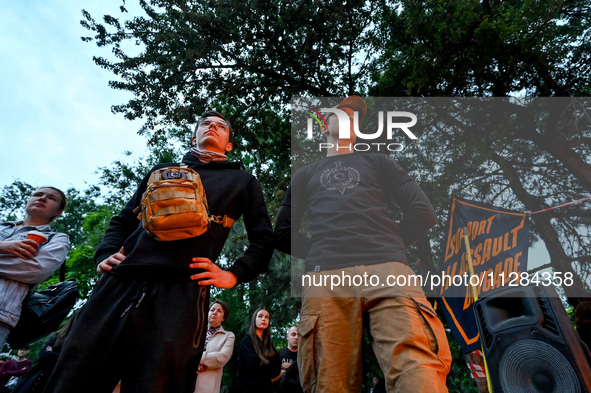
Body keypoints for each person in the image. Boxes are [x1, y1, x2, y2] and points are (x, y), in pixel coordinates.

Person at [44, 111, 275, 393]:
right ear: (194, 136)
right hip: (120, 282)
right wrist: (104, 253)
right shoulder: (160, 172)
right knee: (75, 376)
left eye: (221, 126)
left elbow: (263, 238)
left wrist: (234, 274)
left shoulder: (243, 182)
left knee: (159, 384)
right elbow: (123, 220)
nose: (212, 126)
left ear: (229, 144)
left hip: (182, 291)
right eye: (205, 123)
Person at [275, 96, 452, 392]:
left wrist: (386, 245)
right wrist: (324, 250)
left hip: (388, 272)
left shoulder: (379, 161)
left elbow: (423, 213)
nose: (347, 118)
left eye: (353, 118)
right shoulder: (304, 175)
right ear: (324, 128)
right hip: (326, 279)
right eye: (340, 114)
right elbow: (282, 232)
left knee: (418, 370)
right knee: (328, 380)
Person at [0, 187, 69, 347]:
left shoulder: (57, 239)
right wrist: (4, 247)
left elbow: (34, 270)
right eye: (37, 194)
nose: (42, 198)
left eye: (51, 198)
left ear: (58, 212)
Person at [233, 308, 281, 393]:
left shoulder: (269, 345)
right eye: (260, 316)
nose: (263, 319)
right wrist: (269, 367)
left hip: (266, 389)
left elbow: (276, 369)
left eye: (267, 317)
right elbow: (253, 366)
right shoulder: (247, 341)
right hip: (248, 389)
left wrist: (264, 366)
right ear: (254, 320)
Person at [194, 299, 235, 393]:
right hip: (186, 382)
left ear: (223, 318)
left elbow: (222, 357)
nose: (214, 312)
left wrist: (196, 359)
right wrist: (194, 364)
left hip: (207, 387)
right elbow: (183, 353)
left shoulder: (228, 335)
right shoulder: (195, 332)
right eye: (212, 310)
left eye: (219, 311)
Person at [272, 326, 303, 393]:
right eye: (293, 334)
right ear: (287, 336)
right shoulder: (278, 354)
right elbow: (270, 379)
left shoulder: (304, 357)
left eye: (299, 335)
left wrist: (291, 366)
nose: (296, 338)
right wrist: (283, 371)